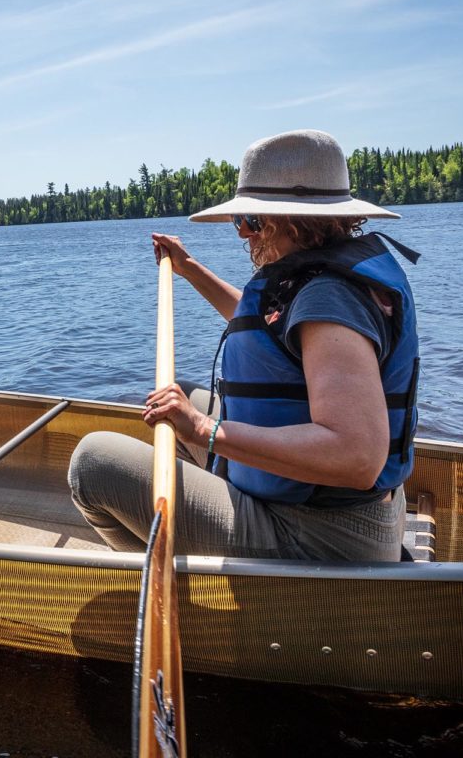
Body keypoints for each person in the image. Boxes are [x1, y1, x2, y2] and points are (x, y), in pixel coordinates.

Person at [68, 129, 421, 561]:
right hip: (333, 514)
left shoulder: (330, 298)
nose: (243, 235)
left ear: (294, 221)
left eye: (250, 221)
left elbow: (357, 456)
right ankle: (202, 552)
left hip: (325, 537)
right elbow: (274, 331)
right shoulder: (319, 279)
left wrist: (206, 431)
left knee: (92, 464)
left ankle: (183, 595)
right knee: (176, 393)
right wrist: (190, 270)